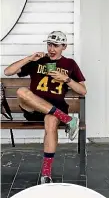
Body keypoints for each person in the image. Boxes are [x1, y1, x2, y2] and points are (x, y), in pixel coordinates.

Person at [3, 31, 87, 184]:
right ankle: (67, 119)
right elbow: (8, 72)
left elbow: (83, 90)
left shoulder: (70, 64)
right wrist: (30, 58)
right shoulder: (38, 60)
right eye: (49, 45)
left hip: (56, 107)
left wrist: (66, 79)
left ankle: (46, 174)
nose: (51, 49)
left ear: (64, 47)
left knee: (50, 122)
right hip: (33, 107)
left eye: (56, 45)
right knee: (21, 91)